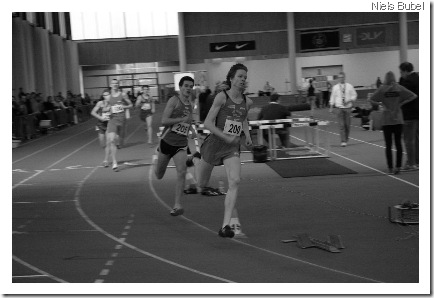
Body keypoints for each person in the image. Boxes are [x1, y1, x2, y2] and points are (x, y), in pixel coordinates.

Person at [196, 63, 253, 238]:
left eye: (245, 77)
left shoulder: (247, 102)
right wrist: (225, 136)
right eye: (240, 76)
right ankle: (196, 161)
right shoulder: (222, 97)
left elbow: (242, 118)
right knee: (201, 185)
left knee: (235, 181)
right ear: (231, 78)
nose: (243, 79)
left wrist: (247, 134)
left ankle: (225, 226)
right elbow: (207, 123)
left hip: (231, 148)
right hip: (214, 144)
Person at [153, 76, 195, 216]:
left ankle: (177, 205)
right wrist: (182, 119)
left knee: (182, 172)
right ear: (180, 87)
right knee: (159, 175)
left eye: (191, 86)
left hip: (181, 145)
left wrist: (192, 131)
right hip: (167, 142)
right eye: (186, 86)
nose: (188, 88)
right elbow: (164, 120)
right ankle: (156, 161)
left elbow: (188, 123)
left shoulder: (191, 104)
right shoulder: (174, 100)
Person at [369, 71, 416, 175]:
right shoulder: (399, 88)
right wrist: (402, 103)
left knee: (388, 145)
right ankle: (398, 167)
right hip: (398, 119)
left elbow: (371, 99)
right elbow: (413, 96)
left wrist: (380, 103)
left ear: (385, 78)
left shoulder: (382, 89)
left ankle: (390, 167)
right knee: (398, 144)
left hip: (387, 120)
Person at [106, 79, 133, 171]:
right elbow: (106, 108)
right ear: (111, 85)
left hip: (121, 120)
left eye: (116, 83)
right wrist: (108, 111)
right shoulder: (108, 97)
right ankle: (114, 162)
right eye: (113, 83)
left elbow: (130, 105)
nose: (115, 85)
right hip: (112, 120)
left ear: (118, 85)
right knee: (112, 140)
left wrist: (123, 106)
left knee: (120, 142)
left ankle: (117, 144)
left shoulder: (123, 95)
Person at [398, 62, 419, 171]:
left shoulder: (408, 82)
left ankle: (411, 163)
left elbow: (401, 95)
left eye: (401, 72)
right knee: (415, 138)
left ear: (405, 71)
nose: (400, 74)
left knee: (408, 140)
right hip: (418, 113)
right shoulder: (417, 77)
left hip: (409, 114)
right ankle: (417, 161)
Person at [329, 72, 357, 147]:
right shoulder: (335, 87)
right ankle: (343, 141)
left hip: (348, 108)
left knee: (347, 125)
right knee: (341, 125)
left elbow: (354, 95)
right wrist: (331, 107)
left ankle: (346, 138)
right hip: (339, 108)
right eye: (340, 77)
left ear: (345, 77)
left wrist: (349, 100)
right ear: (338, 78)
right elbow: (332, 97)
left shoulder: (349, 86)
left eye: (342, 77)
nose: (341, 78)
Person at [91, 89, 112, 167]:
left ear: (110, 95)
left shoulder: (113, 103)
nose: (106, 96)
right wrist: (100, 118)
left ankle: (106, 160)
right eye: (104, 95)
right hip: (100, 124)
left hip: (109, 124)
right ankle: (107, 150)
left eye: (107, 95)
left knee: (108, 142)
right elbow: (92, 112)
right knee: (102, 143)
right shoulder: (100, 103)